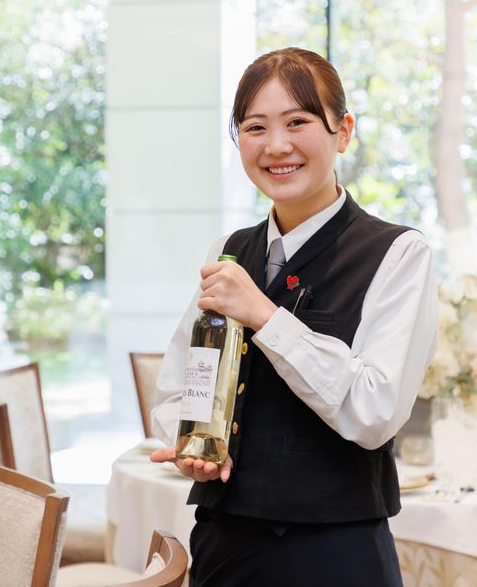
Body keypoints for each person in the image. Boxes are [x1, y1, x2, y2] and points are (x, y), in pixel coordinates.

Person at [149, 47, 438, 587]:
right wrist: (191, 447)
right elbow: (177, 389)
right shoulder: (229, 251)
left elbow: (374, 411)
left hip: (336, 553)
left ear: (343, 131)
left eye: (298, 122)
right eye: (255, 127)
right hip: (224, 544)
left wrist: (265, 315)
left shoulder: (399, 254)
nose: (276, 146)